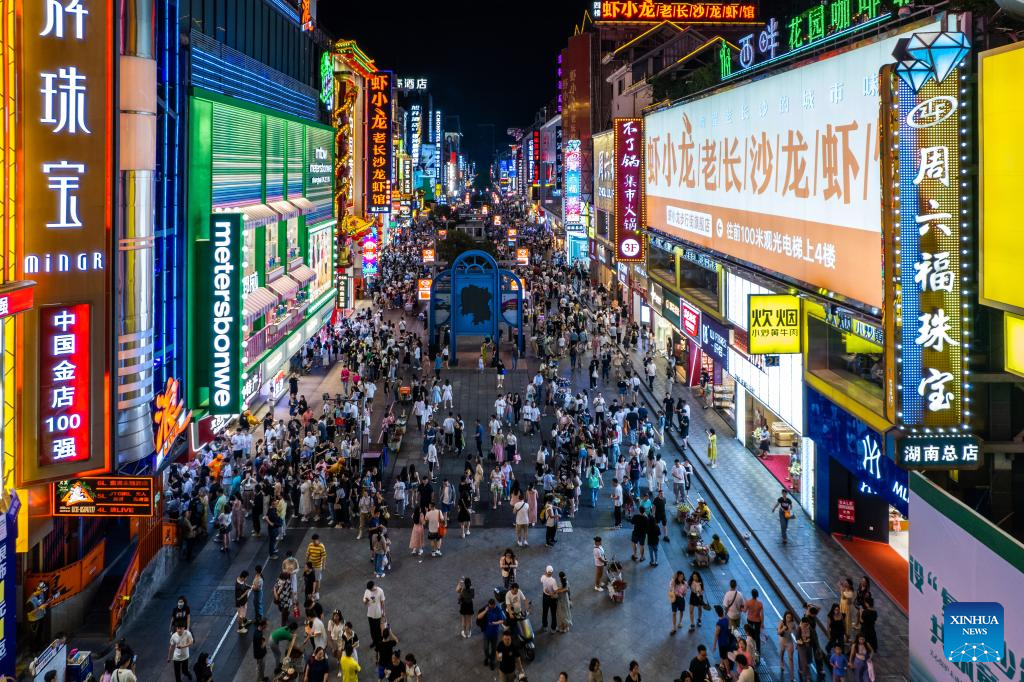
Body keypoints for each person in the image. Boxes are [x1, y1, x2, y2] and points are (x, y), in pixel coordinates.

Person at [481, 598, 505, 670]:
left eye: (492, 606)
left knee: (494, 649)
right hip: (486, 633)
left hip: (494, 633)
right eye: (490, 606)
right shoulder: (486, 608)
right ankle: (487, 657)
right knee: (485, 648)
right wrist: (485, 611)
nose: (491, 608)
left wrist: (494, 623)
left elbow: (501, 621)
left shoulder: (498, 610)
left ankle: (492, 661)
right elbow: (479, 616)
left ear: (494, 604)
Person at [777, 610, 798, 682]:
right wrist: (783, 629)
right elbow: (778, 632)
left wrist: (797, 642)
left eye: (790, 617)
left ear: (792, 617)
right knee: (782, 652)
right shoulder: (782, 622)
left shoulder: (793, 624)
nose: (788, 618)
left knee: (791, 659)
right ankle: (781, 661)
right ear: (785, 617)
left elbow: (796, 634)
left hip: (789, 642)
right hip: (782, 641)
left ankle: (792, 677)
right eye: (787, 617)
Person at [363, 580, 385, 645]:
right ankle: (374, 641)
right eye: (370, 589)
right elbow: (364, 601)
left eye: (371, 589)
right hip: (370, 614)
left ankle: (380, 641)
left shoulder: (380, 591)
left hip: (378, 614)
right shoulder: (367, 591)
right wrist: (365, 601)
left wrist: (383, 612)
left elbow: (382, 602)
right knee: (372, 629)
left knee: (378, 629)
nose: (371, 590)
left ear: (374, 586)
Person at [540, 565, 559, 632]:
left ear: (546, 571)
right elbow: (556, 591)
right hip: (552, 599)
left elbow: (541, 580)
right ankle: (553, 628)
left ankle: (545, 626)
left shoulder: (543, 577)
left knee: (545, 612)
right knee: (553, 613)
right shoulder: (553, 581)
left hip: (545, 597)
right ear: (552, 572)